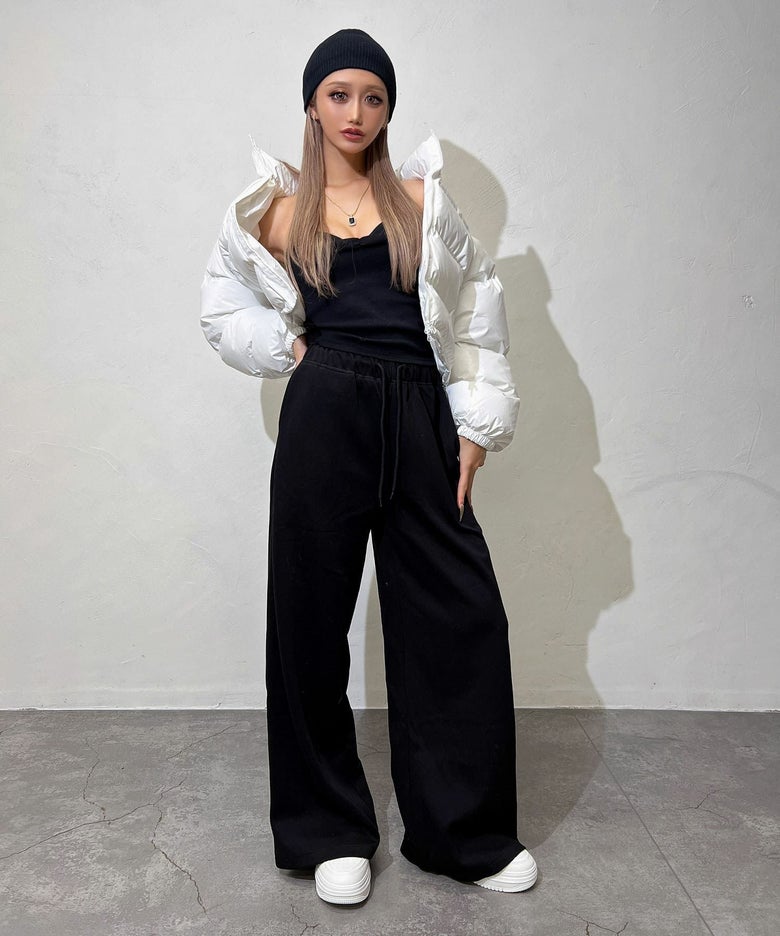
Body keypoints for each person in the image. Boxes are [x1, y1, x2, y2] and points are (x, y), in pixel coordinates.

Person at [200, 27, 538, 906]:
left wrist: (476, 427)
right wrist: (288, 349)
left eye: (374, 96)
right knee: (308, 624)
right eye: (339, 94)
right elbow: (220, 311)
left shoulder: (422, 201)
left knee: (458, 617)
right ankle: (328, 832)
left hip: (422, 413)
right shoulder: (274, 213)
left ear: (389, 109)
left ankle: (462, 833)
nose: (357, 112)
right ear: (312, 105)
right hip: (326, 415)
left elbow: (476, 307)